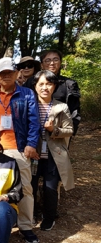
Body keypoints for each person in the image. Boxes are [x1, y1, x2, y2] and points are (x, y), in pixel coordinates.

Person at [0, 57, 40, 243]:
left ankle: (26, 226)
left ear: (16, 73)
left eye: (10, 72)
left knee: (25, 189)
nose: (6, 76)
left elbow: (34, 121)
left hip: (19, 148)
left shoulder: (27, 94)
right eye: (2, 73)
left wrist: (31, 144)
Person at [31, 70, 74, 231]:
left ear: (54, 86)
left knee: (50, 188)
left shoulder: (61, 106)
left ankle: (49, 217)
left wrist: (53, 129)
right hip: (33, 154)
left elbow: (69, 130)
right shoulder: (30, 104)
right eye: (41, 84)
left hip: (53, 155)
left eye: (49, 84)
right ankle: (31, 214)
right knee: (31, 186)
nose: (45, 88)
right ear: (35, 86)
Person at [24, 49, 81, 135]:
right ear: (42, 64)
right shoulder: (31, 81)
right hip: (34, 131)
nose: (52, 63)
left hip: (59, 132)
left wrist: (69, 132)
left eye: (55, 59)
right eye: (47, 60)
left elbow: (74, 111)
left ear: (60, 62)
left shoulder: (69, 84)